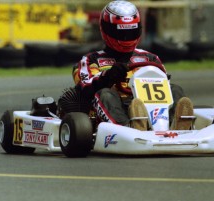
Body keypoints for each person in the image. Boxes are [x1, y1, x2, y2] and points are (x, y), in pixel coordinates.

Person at [71, 0, 193, 131]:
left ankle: (174, 126)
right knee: (105, 94)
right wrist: (108, 76)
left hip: (150, 108)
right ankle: (128, 128)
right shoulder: (91, 60)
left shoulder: (150, 58)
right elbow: (85, 89)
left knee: (175, 89)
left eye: (131, 33)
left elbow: (164, 88)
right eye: (121, 34)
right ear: (106, 29)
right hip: (114, 107)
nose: (126, 38)